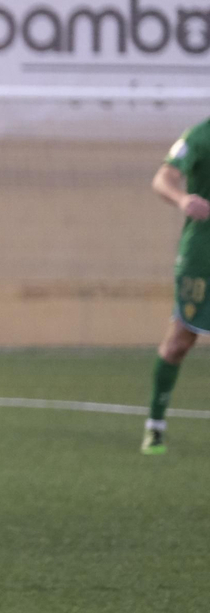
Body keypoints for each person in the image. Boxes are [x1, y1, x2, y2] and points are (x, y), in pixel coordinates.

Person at [143, 121, 210, 454]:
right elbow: (163, 178)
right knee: (178, 344)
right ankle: (155, 426)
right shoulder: (200, 136)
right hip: (202, 254)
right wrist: (183, 199)